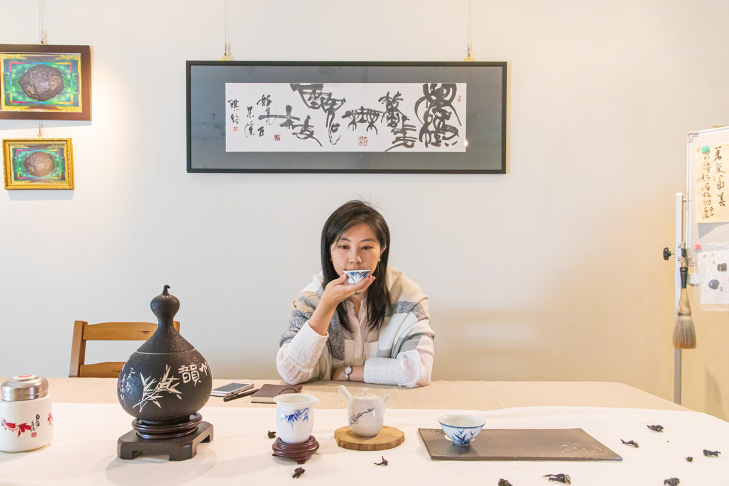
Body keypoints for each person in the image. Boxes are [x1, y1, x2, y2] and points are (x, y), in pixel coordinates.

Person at [277, 200, 434, 387]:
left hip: (387, 401)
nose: (355, 259)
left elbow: (419, 370)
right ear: (329, 253)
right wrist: (326, 306)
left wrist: (349, 372)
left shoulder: (407, 296)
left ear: (381, 252)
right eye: (344, 247)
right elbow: (291, 373)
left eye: (366, 247)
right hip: (328, 403)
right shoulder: (312, 298)